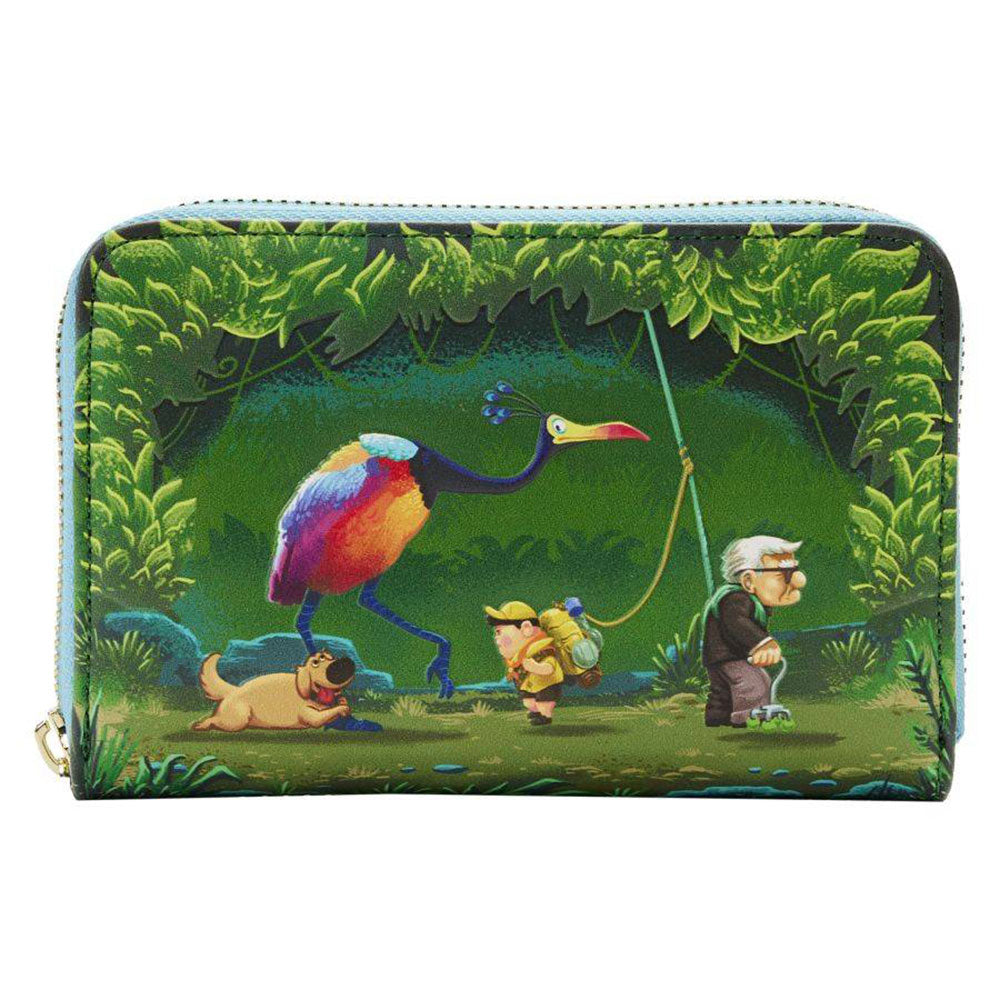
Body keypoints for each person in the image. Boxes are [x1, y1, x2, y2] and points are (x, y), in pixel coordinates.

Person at [702, 536, 807, 727]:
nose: (797, 580)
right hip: (728, 655)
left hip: (722, 655)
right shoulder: (735, 599)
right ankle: (749, 717)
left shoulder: (749, 600)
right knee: (755, 683)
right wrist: (762, 643)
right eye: (784, 573)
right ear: (749, 581)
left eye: (794, 570)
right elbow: (737, 623)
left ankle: (718, 717)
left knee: (723, 691)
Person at [485, 601, 564, 726]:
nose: (496, 637)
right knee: (528, 702)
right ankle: (536, 712)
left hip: (546, 685)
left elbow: (550, 667)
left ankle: (545, 716)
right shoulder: (519, 657)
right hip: (528, 685)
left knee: (544, 702)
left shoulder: (542, 651)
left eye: (499, 632)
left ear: (526, 629)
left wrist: (536, 667)